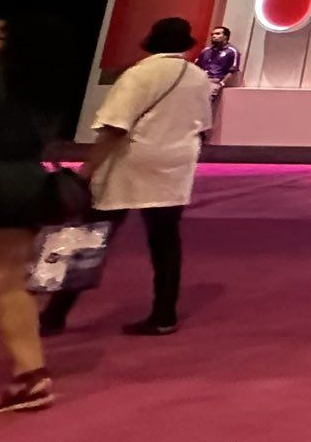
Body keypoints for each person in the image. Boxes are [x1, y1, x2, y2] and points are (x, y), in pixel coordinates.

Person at [42, 17, 213, 338]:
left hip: (129, 163)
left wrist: (85, 171)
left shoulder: (138, 74)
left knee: (90, 236)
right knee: (165, 242)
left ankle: (55, 314)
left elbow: (114, 127)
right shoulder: (198, 76)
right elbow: (202, 124)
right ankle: (165, 313)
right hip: (174, 165)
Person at [0, 16, 54, 414]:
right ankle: (31, 374)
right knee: (8, 280)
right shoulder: (38, 84)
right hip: (27, 182)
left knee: (3, 280)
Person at [196, 26, 241, 104]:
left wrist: (220, 84)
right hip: (201, 81)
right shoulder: (205, 51)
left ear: (225, 37)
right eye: (212, 34)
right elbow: (197, 66)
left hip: (216, 82)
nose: (214, 36)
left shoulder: (232, 51)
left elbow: (233, 71)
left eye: (217, 34)